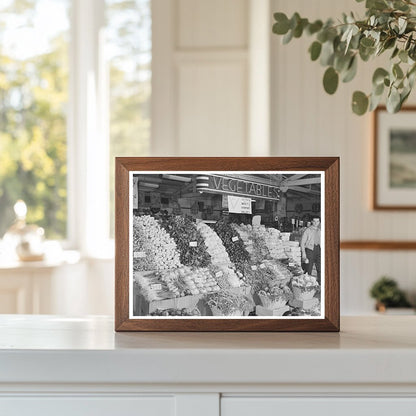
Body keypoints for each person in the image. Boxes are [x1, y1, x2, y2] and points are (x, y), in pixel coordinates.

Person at [300, 216, 321, 282]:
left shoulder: (320, 230)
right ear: (312, 222)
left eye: (317, 221)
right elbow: (302, 243)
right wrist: (303, 253)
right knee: (308, 268)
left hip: (318, 249)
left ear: (319, 222)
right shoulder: (308, 230)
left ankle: (319, 283)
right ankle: (306, 284)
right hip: (310, 250)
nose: (316, 223)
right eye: (314, 221)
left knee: (320, 268)